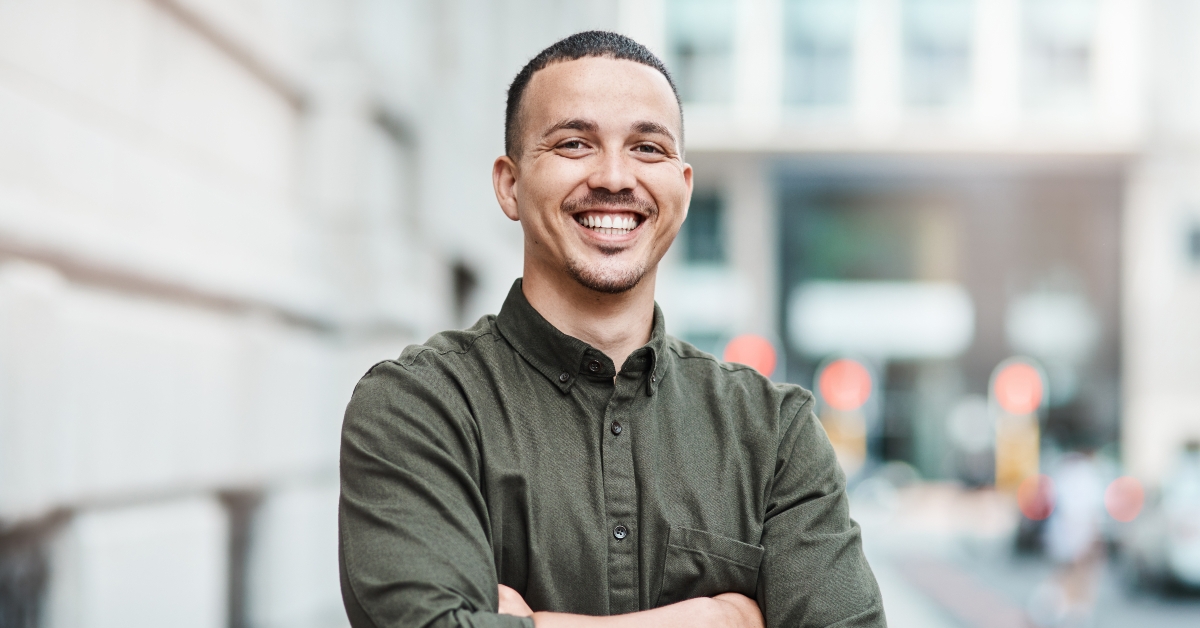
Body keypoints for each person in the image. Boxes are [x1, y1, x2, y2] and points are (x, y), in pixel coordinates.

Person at [338, 31, 885, 628]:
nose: (615, 177)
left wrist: (535, 623)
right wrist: (716, 619)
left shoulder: (775, 434)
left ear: (684, 186)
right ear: (510, 184)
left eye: (648, 148)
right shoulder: (418, 406)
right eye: (575, 143)